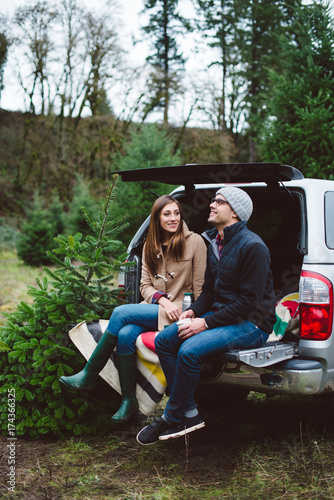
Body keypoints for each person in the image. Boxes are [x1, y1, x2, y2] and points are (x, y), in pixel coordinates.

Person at [136, 186, 277, 445]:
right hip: (221, 314)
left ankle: (171, 416)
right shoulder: (213, 241)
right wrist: (194, 311)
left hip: (252, 323)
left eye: (219, 201)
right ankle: (189, 412)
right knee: (165, 340)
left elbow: (249, 303)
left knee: (189, 351)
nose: (211, 205)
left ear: (235, 212)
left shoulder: (253, 246)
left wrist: (204, 323)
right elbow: (210, 293)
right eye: (213, 200)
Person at [59, 195, 207, 424]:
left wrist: (194, 314)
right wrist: (161, 300)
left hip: (179, 312)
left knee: (120, 313)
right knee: (126, 334)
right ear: (157, 218)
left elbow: (200, 288)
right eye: (167, 214)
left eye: (176, 213)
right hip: (155, 307)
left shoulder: (195, 241)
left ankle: (89, 374)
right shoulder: (150, 243)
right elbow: (145, 285)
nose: (173, 218)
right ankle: (129, 400)